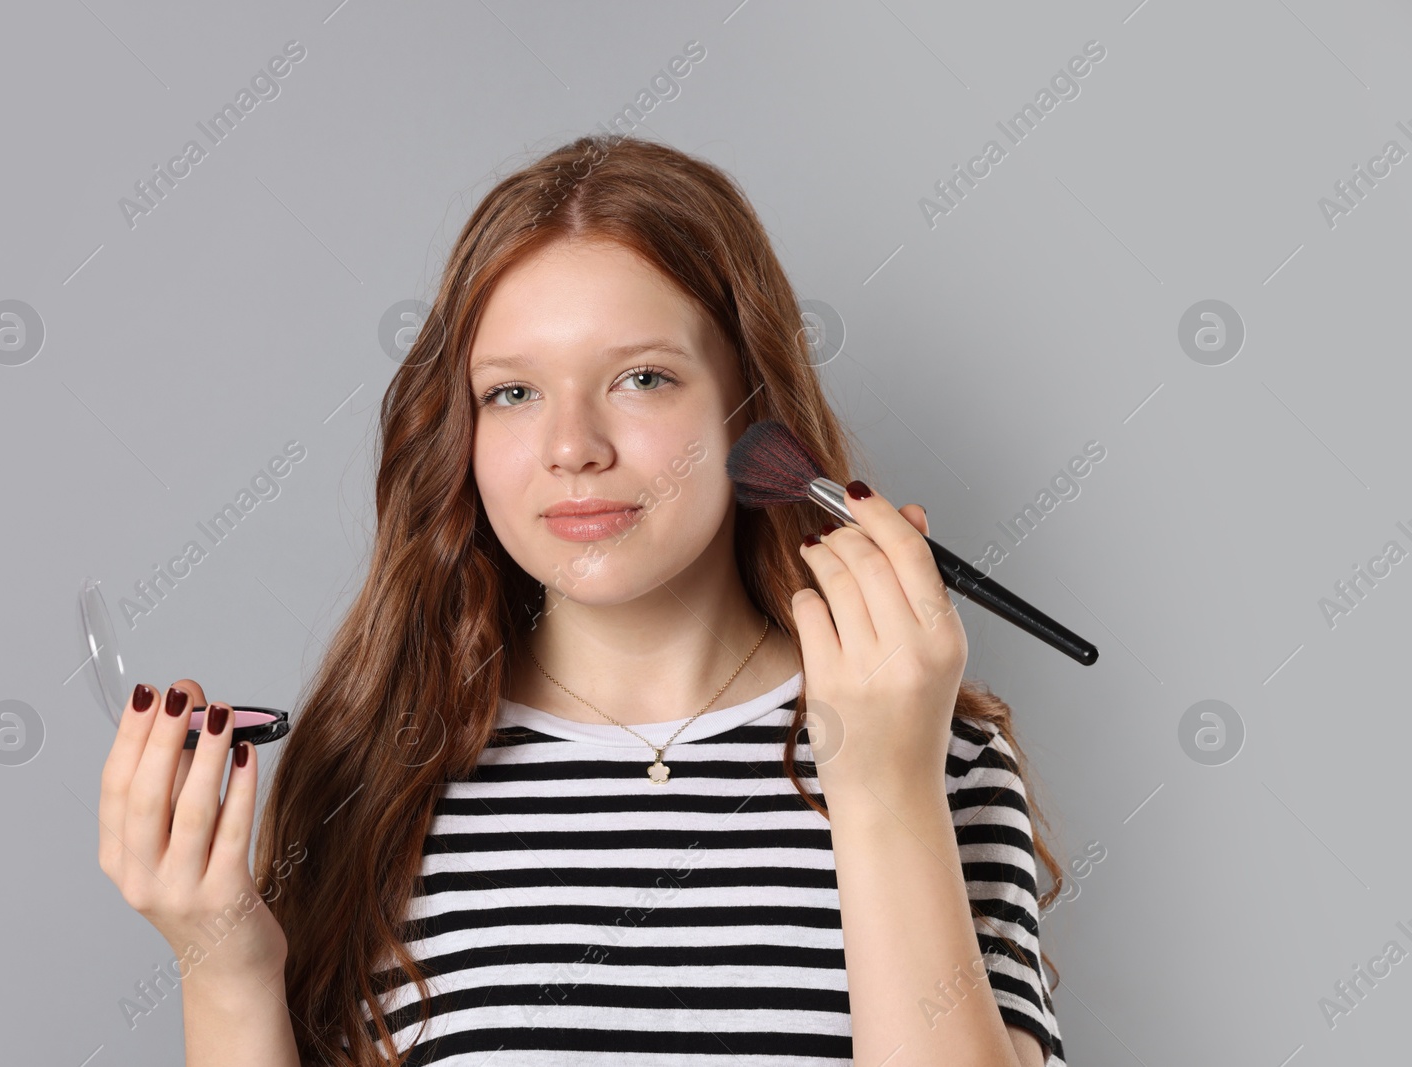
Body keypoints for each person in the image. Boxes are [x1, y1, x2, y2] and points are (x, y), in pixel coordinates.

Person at [98, 133, 1068, 1067]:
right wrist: (221, 963)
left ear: (750, 405)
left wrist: (882, 781)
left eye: (641, 378)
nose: (573, 445)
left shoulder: (938, 758)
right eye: (512, 393)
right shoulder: (373, 778)